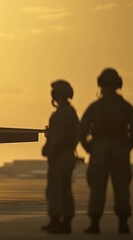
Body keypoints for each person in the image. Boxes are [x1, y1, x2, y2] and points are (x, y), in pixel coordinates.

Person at [80, 68, 133, 234]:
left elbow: (82, 129)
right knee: (122, 186)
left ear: (100, 85)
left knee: (97, 187)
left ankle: (94, 223)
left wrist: (90, 148)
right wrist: (127, 147)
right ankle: (123, 223)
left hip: (99, 149)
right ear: (118, 84)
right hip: (120, 148)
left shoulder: (95, 107)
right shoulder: (126, 107)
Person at [41, 80, 80, 234]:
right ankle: (60, 221)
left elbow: (57, 137)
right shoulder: (70, 112)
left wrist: (48, 149)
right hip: (66, 154)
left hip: (60, 156)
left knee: (57, 189)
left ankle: (59, 220)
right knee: (63, 189)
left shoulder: (62, 114)